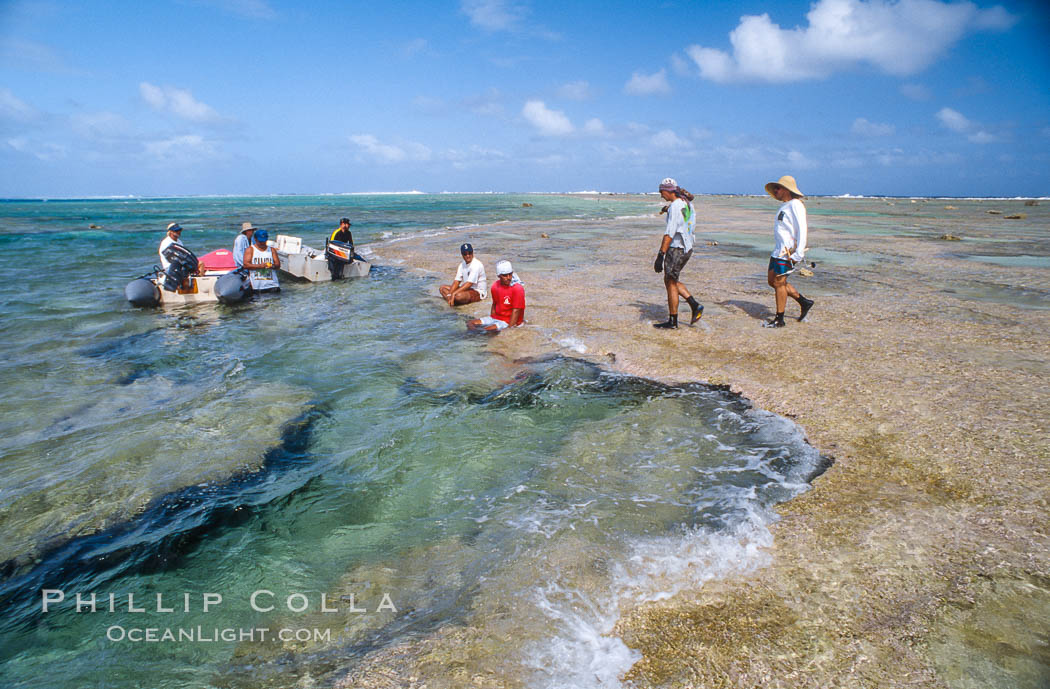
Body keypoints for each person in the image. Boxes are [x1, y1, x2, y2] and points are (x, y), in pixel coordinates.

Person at [764, 175, 814, 328]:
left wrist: (798, 253)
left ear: (787, 189)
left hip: (787, 253)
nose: (776, 191)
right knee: (772, 281)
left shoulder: (796, 205)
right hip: (778, 251)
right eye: (775, 189)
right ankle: (804, 302)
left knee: (780, 283)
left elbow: (802, 229)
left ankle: (780, 319)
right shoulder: (785, 206)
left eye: (778, 188)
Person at [652, 177, 703, 329]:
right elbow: (682, 218)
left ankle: (673, 321)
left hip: (676, 249)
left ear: (668, 191)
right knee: (671, 280)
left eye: (662, 192)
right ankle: (694, 305)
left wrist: (660, 255)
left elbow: (669, 233)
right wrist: (666, 209)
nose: (661, 196)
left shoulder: (675, 207)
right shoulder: (687, 204)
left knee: (670, 283)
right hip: (687, 248)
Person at [467, 260, 524, 332]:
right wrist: (492, 321)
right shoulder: (495, 286)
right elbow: (494, 304)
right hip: (497, 318)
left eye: (510, 274)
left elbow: (516, 311)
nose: (509, 277)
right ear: (498, 276)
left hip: (507, 321)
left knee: (484, 330)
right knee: (470, 323)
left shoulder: (517, 288)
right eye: (505, 275)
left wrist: (509, 330)